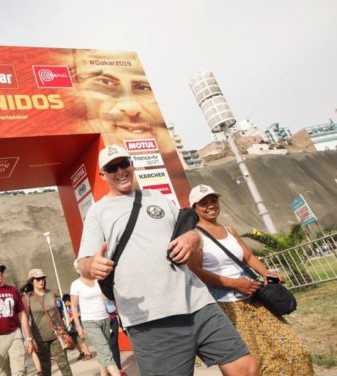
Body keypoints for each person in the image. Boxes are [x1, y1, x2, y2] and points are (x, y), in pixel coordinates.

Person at [77, 145, 259, 376]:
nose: (120, 170)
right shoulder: (98, 212)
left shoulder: (158, 197)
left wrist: (193, 237)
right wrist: (91, 265)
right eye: (112, 167)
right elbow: (83, 262)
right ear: (103, 175)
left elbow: (192, 236)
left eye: (124, 163)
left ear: (131, 165)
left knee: (246, 368)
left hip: (198, 302)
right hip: (150, 319)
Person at [187, 184, 315, 375]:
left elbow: (248, 257)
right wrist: (236, 284)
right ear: (195, 208)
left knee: (294, 349)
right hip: (227, 306)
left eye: (213, 200)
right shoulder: (194, 236)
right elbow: (197, 271)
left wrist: (266, 273)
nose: (210, 205)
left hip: (255, 297)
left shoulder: (229, 229)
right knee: (254, 360)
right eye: (203, 203)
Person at [20, 268, 73, 376]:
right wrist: (29, 338)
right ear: (32, 281)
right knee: (45, 368)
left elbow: (57, 313)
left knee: (64, 364)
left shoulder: (50, 293)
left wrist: (64, 330)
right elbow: (24, 319)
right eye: (38, 279)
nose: (41, 281)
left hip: (56, 335)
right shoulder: (27, 298)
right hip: (40, 338)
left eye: (42, 278)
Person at [70, 260, 120, 376]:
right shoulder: (76, 284)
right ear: (78, 270)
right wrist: (78, 327)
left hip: (104, 319)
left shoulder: (97, 280)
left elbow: (106, 296)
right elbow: (73, 306)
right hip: (90, 322)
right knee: (105, 352)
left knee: (104, 351)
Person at [61, 294, 93, 361]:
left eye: (64, 302)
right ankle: (81, 353)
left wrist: (73, 317)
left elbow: (81, 312)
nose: (64, 304)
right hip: (72, 327)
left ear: (67, 301)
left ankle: (88, 353)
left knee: (81, 340)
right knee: (75, 341)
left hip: (78, 325)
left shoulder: (76, 305)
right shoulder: (68, 308)